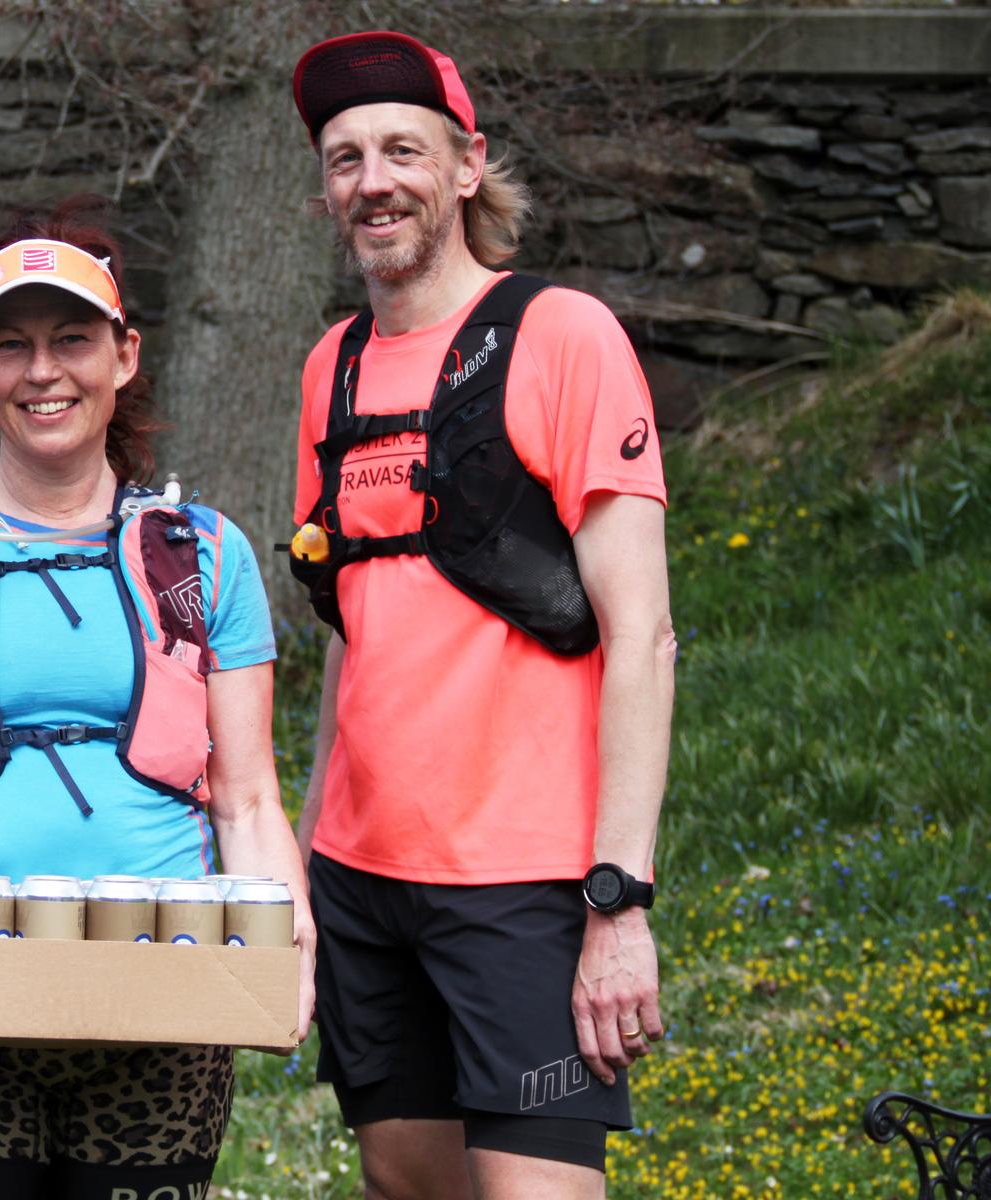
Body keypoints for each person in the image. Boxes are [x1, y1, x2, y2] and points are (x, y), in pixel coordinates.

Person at [0, 196, 315, 1200]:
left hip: (162, 996)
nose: (44, 371)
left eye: (72, 339)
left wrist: (287, 937)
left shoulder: (207, 555)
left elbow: (248, 802)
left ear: (122, 356)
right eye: (13, 345)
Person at [283, 32, 678, 1199]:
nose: (374, 180)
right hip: (362, 878)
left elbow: (643, 637)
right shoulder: (331, 370)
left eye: (403, 148)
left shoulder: (560, 336)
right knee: (405, 1184)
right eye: (346, 157)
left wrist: (618, 901)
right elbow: (351, 633)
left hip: (523, 887)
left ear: (466, 167)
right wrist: (304, 867)